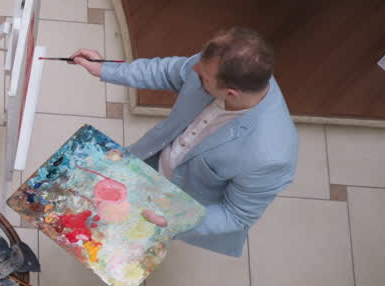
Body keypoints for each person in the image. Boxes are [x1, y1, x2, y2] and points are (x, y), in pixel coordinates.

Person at [70, 26, 297, 257]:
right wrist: (105, 69)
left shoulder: (270, 156)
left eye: (203, 77)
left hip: (178, 201)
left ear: (231, 93)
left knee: (114, 247)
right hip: (152, 158)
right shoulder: (214, 65)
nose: (193, 69)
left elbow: (235, 215)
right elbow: (169, 71)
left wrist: (171, 221)